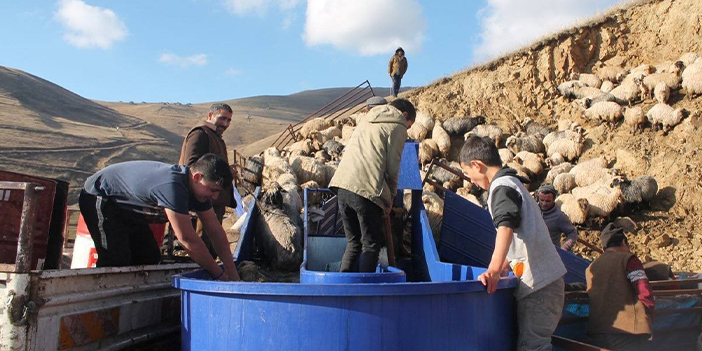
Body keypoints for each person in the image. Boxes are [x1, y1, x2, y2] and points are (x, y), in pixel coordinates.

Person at [459, 136, 567, 351]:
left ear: (477, 165)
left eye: (467, 174)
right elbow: (521, 232)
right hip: (543, 282)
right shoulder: (512, 183)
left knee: (534, 347)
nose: (470, 180)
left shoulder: (502, 187)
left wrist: (493, 269)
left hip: (540, 285)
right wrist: (508, 263)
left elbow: (506, 227)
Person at [79, 154, 240, 281]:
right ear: (197, 177)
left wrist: (232, 274)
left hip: (129, 210)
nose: (214, 196)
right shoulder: (173, 186)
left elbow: (215, 232)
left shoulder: (200, 193)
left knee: (148, 258)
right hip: (101, 197)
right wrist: (218, 274)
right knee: (115, 259)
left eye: (218, 192)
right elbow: (187, 239)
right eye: (213, 190)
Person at [329, 98, 415, 272]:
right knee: (370, 245)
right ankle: (365, 291)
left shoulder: (366, 120)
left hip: (342, 185)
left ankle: (342, 287)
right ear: (404, 115)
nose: (407, 129)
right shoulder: (397, 126)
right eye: (409, 125)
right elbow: (393, 165)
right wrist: (390, 197)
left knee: (354, 243)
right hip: (366, 189)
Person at [179, 103, 236, 258]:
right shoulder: (200, 134)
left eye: (229, 120)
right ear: (210, 116)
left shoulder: (216, 138)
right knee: (203, 244)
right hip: (202, 202)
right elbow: (190, 165)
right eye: (222, 118)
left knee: (211, 245)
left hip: (213, 201)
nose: (225, 123)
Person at [586, 223, 654, 351]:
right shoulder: (628, 260)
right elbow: (643, 290)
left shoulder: (591, 267)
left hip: (598, 331)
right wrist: (646, 318)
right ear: (624, 242)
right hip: (628, 332)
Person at [537, 184, 578, 251]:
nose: (544, 204)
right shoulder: (533, 211)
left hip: (550, 255)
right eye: (542, 200)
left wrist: (565, 247)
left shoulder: (559, 216)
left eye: (548, 201)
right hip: (532, 254)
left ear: (554, 199)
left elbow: (572, 232)